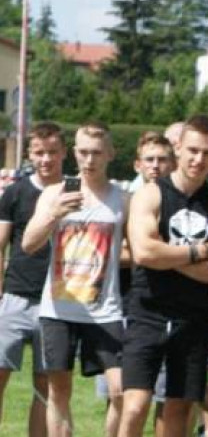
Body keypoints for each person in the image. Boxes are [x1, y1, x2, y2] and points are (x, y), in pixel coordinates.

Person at [22, 122, 129, 437]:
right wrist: (54, 213)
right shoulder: (55, 194)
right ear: (74, 154)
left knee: (120, 390)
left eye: (97, 153)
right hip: (59, 310)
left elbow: (139, 250)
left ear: (110, 154)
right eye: (83, 152)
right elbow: (28, 244)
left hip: (105, 310)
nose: (89, 160)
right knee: (58, 391)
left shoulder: (123, 200)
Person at [119, 117, 208, 437]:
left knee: (178, 408)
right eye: (193, 150)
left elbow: (155, 253)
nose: (199, 159)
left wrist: (164, 254)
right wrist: (197, 252)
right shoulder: (151, 195)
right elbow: (143, 253)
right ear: (179, 149)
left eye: (207, 153)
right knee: (134, 406)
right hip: (148, 313)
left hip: (195, 317)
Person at [0, 122, 67, 437]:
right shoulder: (15, 192)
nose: (46, 159)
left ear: (63, 153)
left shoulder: (73, 192)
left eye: (53, 152)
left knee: (44, 383)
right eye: (39, 152)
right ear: (29, 153)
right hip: (15, 296)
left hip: (56, 301)